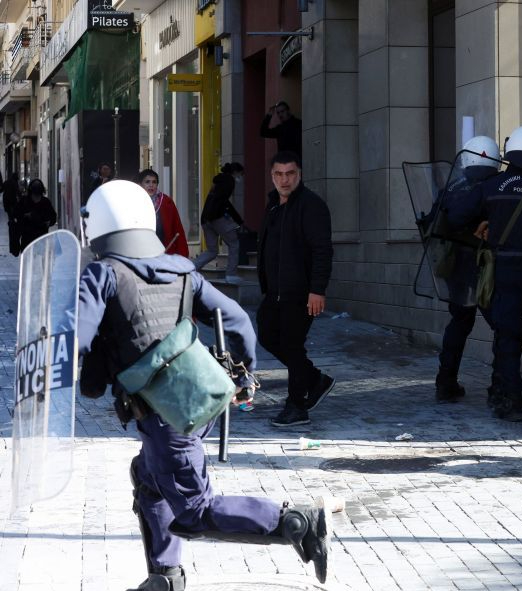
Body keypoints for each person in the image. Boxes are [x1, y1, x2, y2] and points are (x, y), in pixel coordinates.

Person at [76, 180, 330, 591]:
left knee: (194, 511)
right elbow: (239, 322)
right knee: (147, 478)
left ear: (99, 224)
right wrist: (244, 374)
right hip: (196, 402)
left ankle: (296, 523)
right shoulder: (183, 272)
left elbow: (77, 340)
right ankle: (165, 578)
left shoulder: (104, 274)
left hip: (164, 418)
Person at [449, 125, 522, 421]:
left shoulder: (492, 185)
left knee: (508, 337)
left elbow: (455, 216)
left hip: (505, 272)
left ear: (510, 151)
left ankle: (512, 402)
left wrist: (483, 226)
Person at [257, 151, 335, 427]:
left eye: (290, 173)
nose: (284, 179)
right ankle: (314, 379)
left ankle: (297, 406)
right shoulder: (273, 204)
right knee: (267, 335)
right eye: (278, 174)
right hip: (275, 292)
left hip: (301, 293)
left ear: (299, 174)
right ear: (272, 176)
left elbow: (322, 251)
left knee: (292, 345)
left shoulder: (311, 205)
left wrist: (317, 290)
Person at [431, 136, 502, 403]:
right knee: (502, 324)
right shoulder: (493, 184)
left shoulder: (452, 186)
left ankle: (445, 382)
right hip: (486, 265)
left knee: (460, 321)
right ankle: (500, 386)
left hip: (455, 266)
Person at [193, 162, 246, 284]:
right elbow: (224, 201)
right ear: (235, 172)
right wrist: (238, 220)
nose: (241, 177)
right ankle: (231, 275)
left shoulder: (217, 181)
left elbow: (217, 200)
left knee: (212, 250)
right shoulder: (229, 181)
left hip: (206, 218)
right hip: (217, 218)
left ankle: (191, 267)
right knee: (234, 244)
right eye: (241, 174)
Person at [138, 168, 189, 257]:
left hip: (163, 247)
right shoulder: (135, 201)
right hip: (142, 248)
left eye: (154, 182)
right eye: (147, 182)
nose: (151, 185)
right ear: (141, 184)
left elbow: (177, 227)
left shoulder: (166, 202)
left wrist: (182, 253)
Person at [13, 178, 57, 253]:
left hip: (41, 238)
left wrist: (48, 222)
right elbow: (16, 214)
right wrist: (26, 216)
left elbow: (53, 217)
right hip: (27, 239)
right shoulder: (24, 201)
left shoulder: (45, 202)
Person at [2, 172, 22, 255]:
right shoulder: (14, 183)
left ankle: (11, 221)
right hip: (12, 204)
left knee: (10, 217)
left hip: (6, 203)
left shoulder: (7, 182)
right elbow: (18, 193)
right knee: (13, 217)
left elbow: (1, 188)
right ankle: (12, 222)